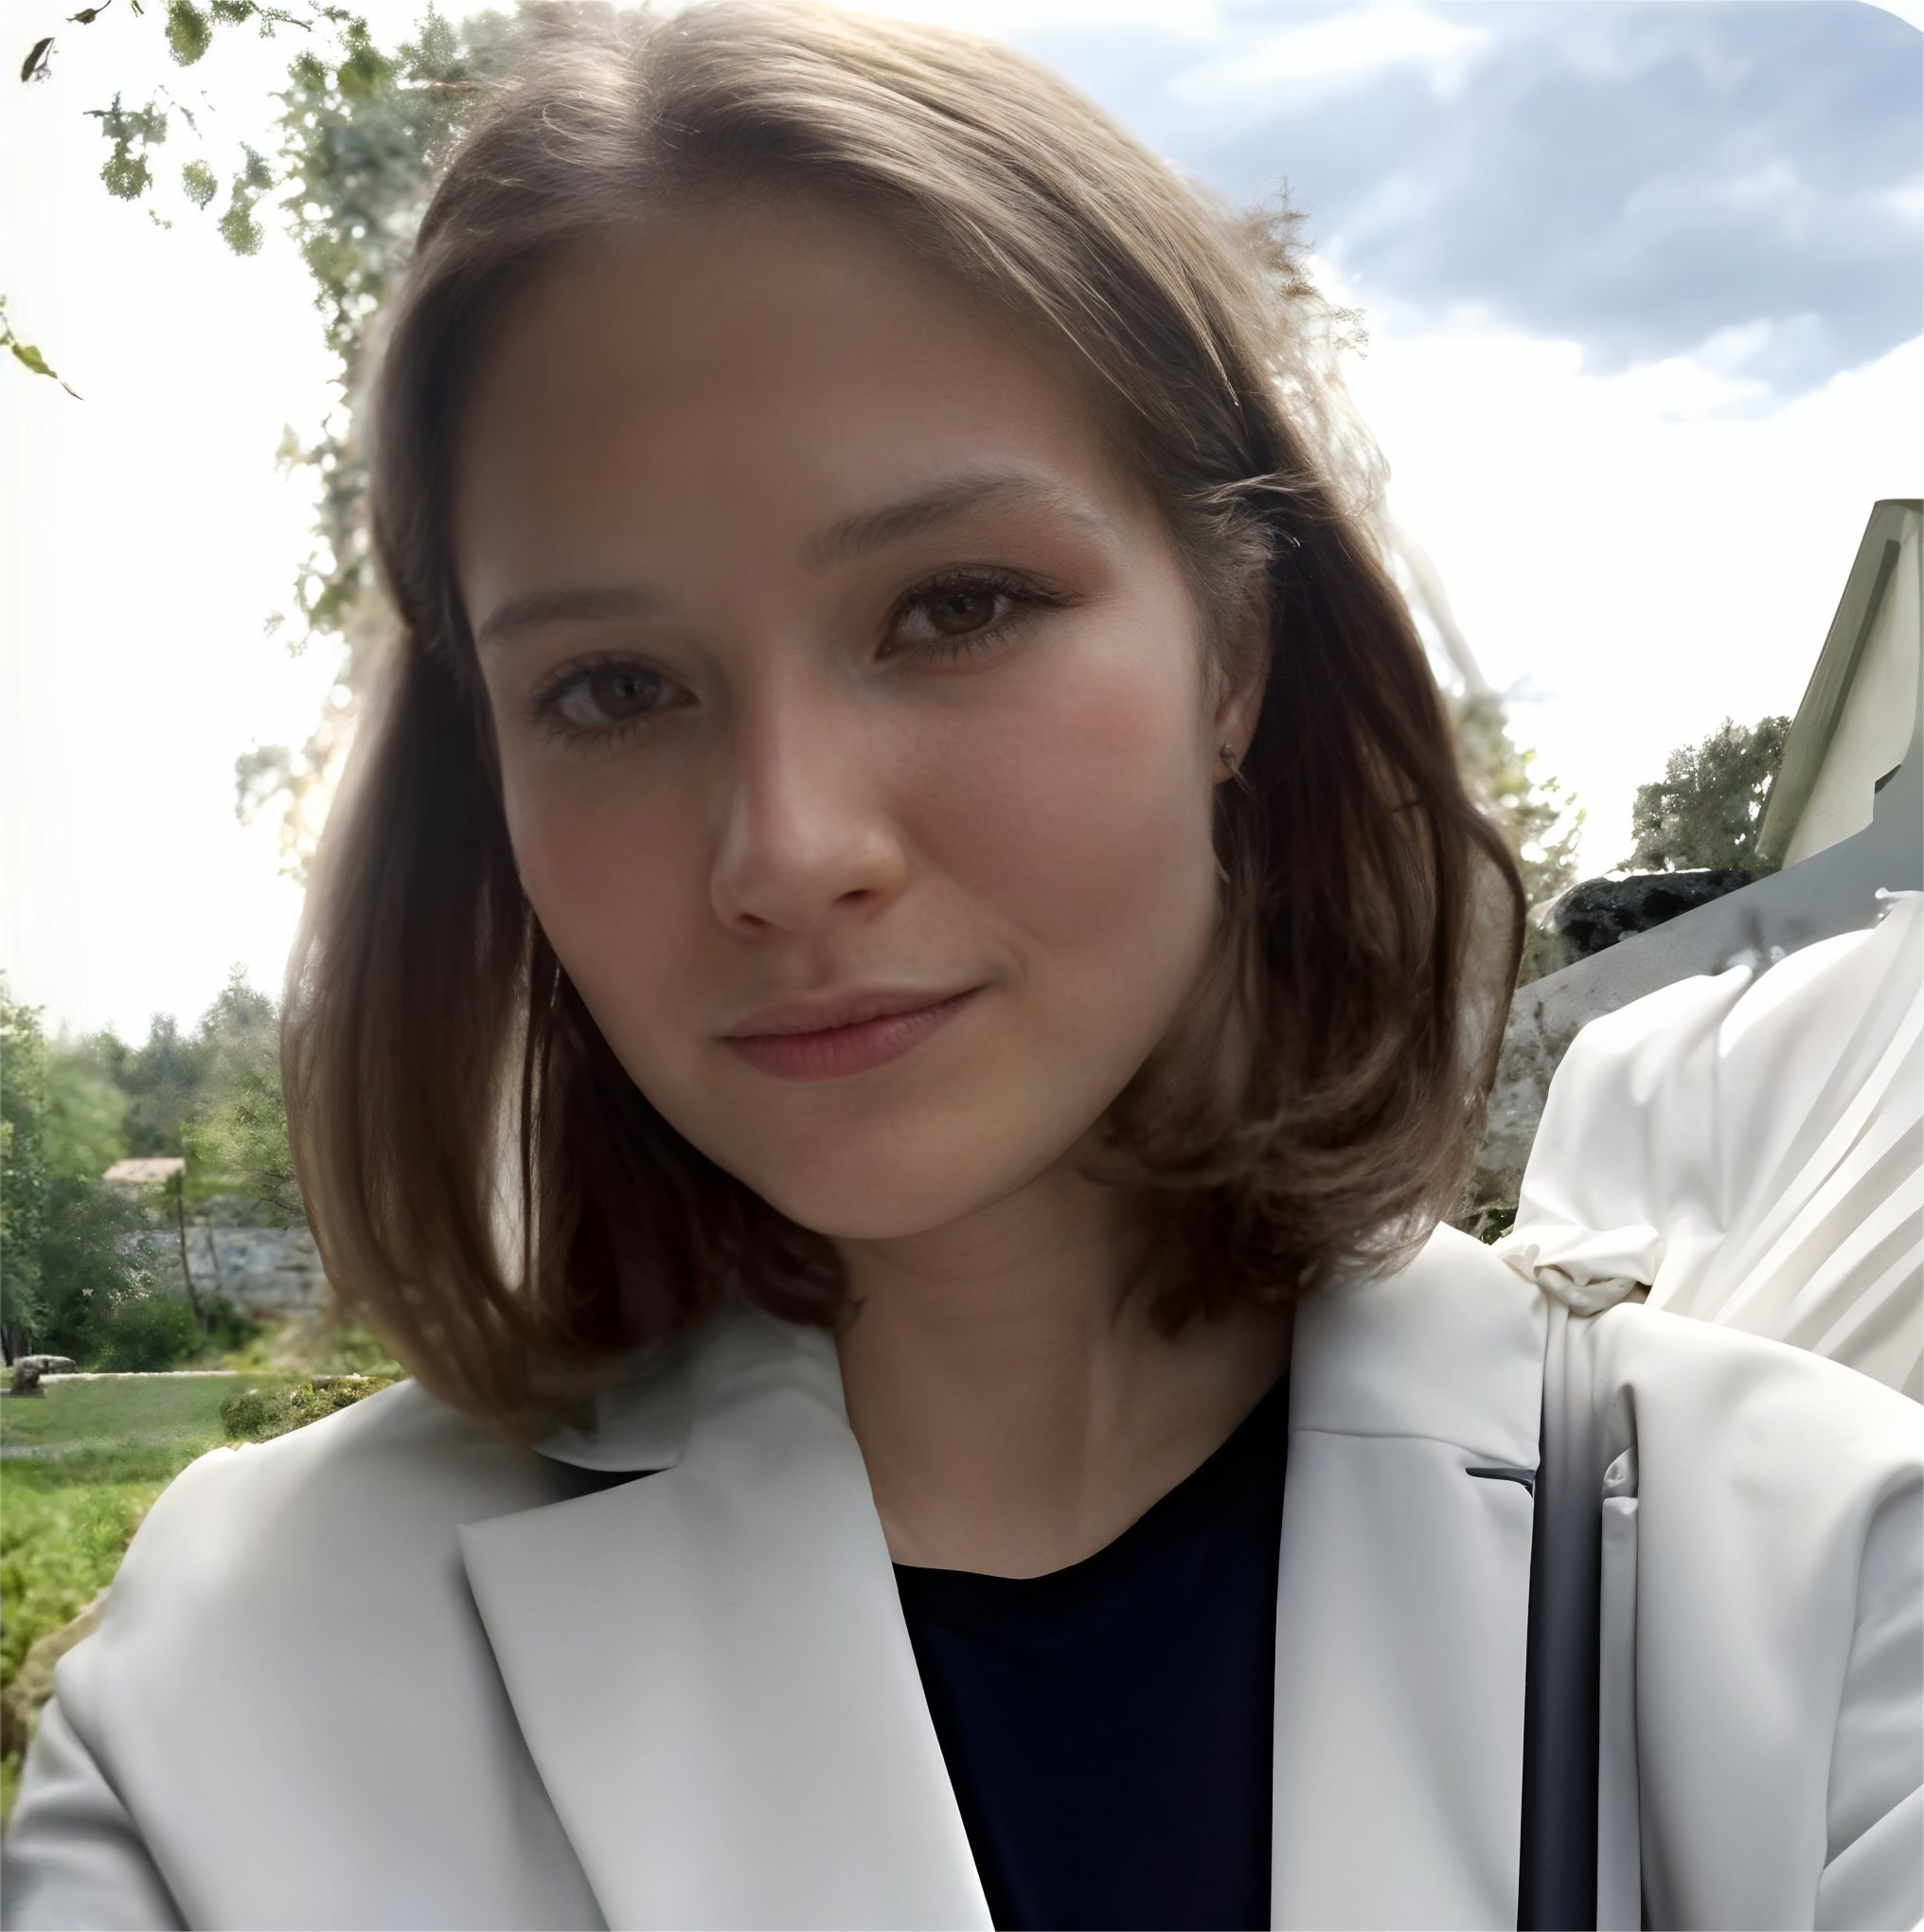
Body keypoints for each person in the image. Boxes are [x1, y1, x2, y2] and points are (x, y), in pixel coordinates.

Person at [5, 4, 1923, 1927]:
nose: (787, 850)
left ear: (1235, 655)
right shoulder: (234, 1691)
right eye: (611, 690)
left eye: (956, 605)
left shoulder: (1817, 1588)